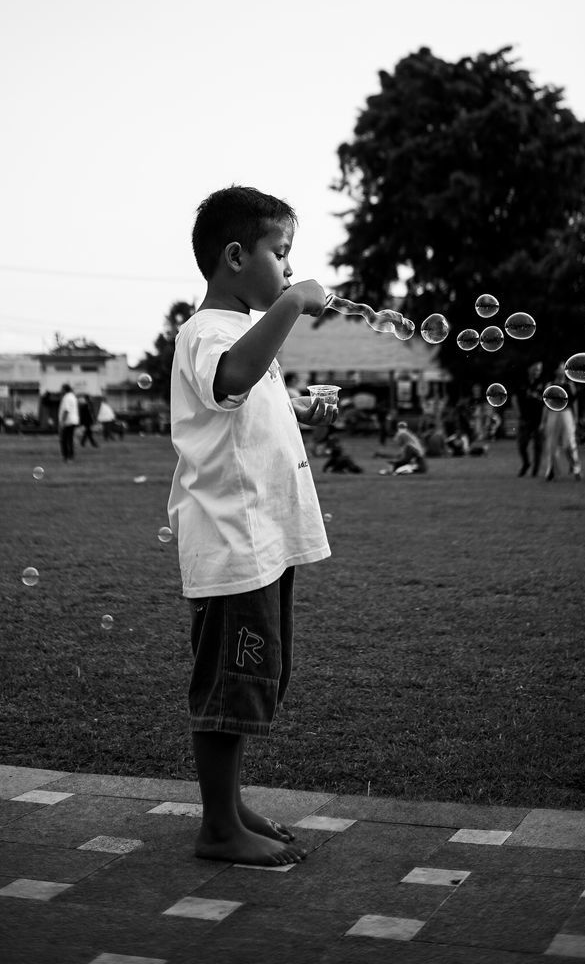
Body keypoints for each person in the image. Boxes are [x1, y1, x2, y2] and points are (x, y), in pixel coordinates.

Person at [168, 185, 334, 868]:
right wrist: (293, 305)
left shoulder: (238, 334)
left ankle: (229, 808)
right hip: (233, 545)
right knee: (230, 686)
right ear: (236, 257)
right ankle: (217, 829)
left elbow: (244, 400)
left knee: (255, 679)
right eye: (281, 255)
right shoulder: (210, 332)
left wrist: (297, 406)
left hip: (261, 543)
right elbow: (231, 377)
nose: (290, 271)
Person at [541, 364, 582, 481]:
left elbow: (574, 402)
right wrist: (542, 421)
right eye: (559, 368)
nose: (561, 371)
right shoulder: (549, 385)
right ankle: (551, 470)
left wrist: (576, 417)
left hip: (566, 412)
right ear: (555, 371)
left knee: (569, 442)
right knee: (551, 444)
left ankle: (576, 468)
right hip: (553, 413)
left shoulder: (569, 385)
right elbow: (545, 405)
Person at [514, 361, 545, 477]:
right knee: (522, 445)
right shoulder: (521, 382)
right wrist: (518, 415)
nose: (538, 372)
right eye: (536, 369)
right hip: (525, 418)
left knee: (538, 446)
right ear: (529, 369)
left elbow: (547, 402)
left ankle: (535, 471)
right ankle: (526, 463)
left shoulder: (543, 383)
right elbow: (514, 398)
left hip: (539, 419)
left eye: (539, 370)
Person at [58, 384, 79, 462]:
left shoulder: (67, 397)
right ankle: (70, 456)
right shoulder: (73, 396)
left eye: (61, 389)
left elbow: (66, 410)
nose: (60, 390)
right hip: (73, 420)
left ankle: (67, 457)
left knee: (65, 440)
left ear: (64, 389)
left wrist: (62, 422)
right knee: (69, 439)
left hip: (68, 421)